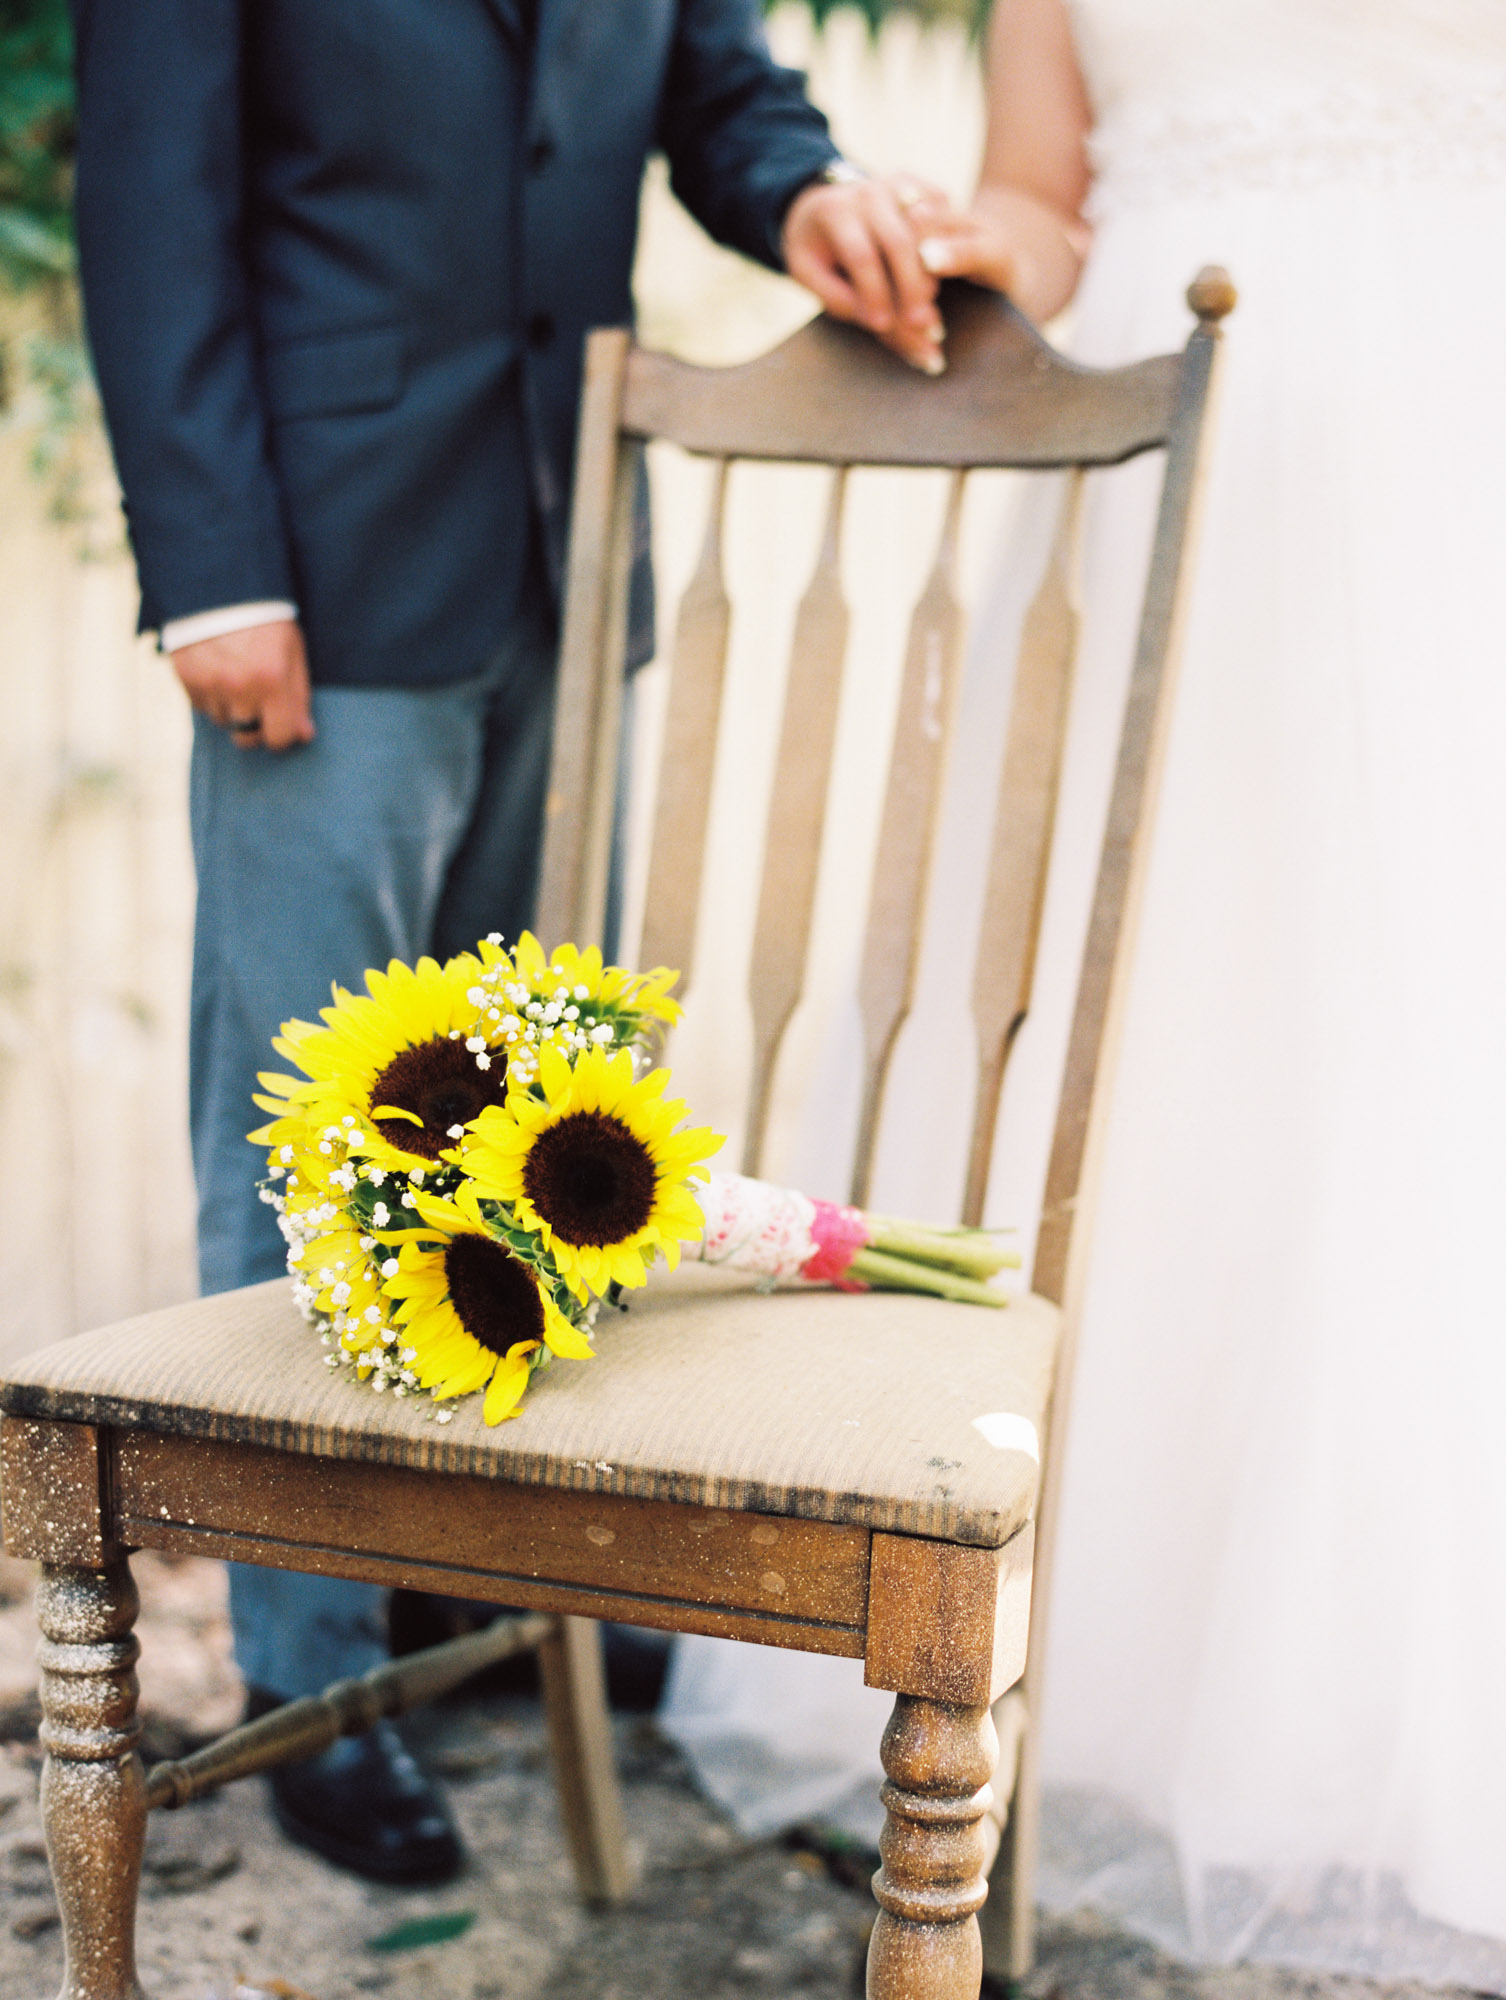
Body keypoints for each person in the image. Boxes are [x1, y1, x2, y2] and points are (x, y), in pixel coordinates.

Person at [662, 0, 1506, 1982]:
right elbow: (1052, 198)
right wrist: (970, 252)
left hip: (1453, 458)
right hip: (1159, 480)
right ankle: (1070, 1649)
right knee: (1146, 1061)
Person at [68, 0, 949, 1885]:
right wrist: (213, 566)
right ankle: (317, 1681)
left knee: (544, 1129)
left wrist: (806, 198)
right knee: (307, 1147)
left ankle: (500, 1572)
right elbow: (151, 203)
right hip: (317, 575)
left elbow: (716, 92)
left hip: (566, 546)